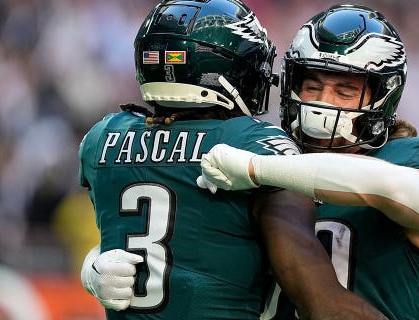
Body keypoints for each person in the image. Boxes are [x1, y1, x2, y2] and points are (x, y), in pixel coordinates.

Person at [78, 0, 385, 319]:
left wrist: (90, 266)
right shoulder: (250, 142)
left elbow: (139, 234)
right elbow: (319, 302)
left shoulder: (102, 139)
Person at [196, 4, 419, 320]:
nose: (323, 102)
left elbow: (405, 193)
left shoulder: (415, 157)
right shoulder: (263, 147)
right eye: (312, 86)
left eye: (345, 91)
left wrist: (258, 170)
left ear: (382, 97)